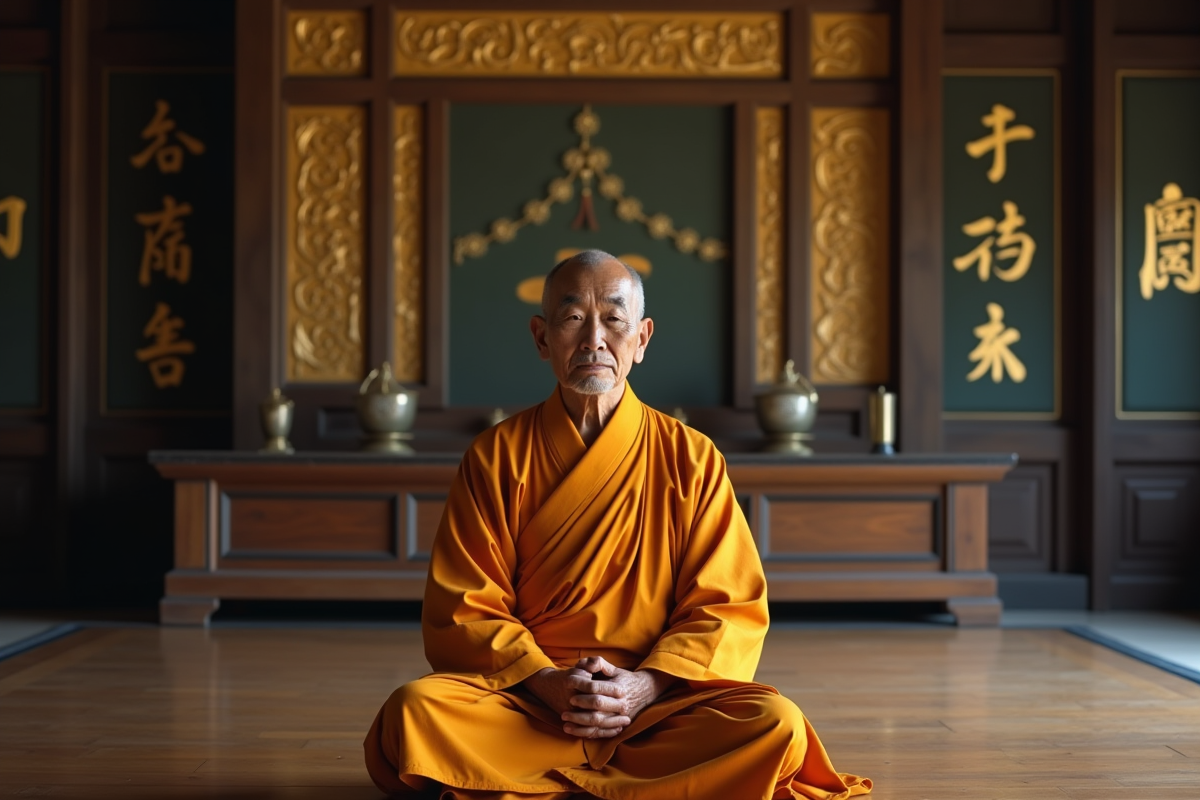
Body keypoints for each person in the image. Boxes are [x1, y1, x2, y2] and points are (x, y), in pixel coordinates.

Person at [364, 250, 871, 799]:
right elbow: (464, 604)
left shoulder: (691, 458)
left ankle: (540, 782)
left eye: (613, 319)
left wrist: (643, 686)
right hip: (529, 702)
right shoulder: (496, 457)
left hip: (659, 706)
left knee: (777, 723)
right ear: (541, 338)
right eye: (573, 319)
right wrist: (548, 682)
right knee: (413, 714)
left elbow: (728, 606)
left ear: (643, 338)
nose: (593, 341)